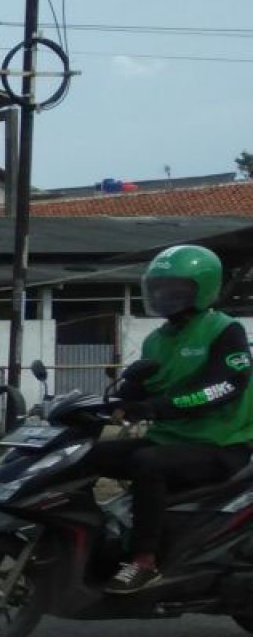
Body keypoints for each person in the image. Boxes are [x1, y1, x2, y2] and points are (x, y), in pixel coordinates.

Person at [84, 245, 253, 594]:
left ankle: (144, 561)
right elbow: (136, 387)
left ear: (203, 290)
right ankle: (89, 539)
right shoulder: (156, 341)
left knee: (149, 463)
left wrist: (159, 408)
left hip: (222, 443)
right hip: (172, 438)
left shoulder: (224, 330)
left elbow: (225, 386)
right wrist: (101, 407)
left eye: (175, 289)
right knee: (88, 454)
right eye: (158, 288)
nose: (164, 296)